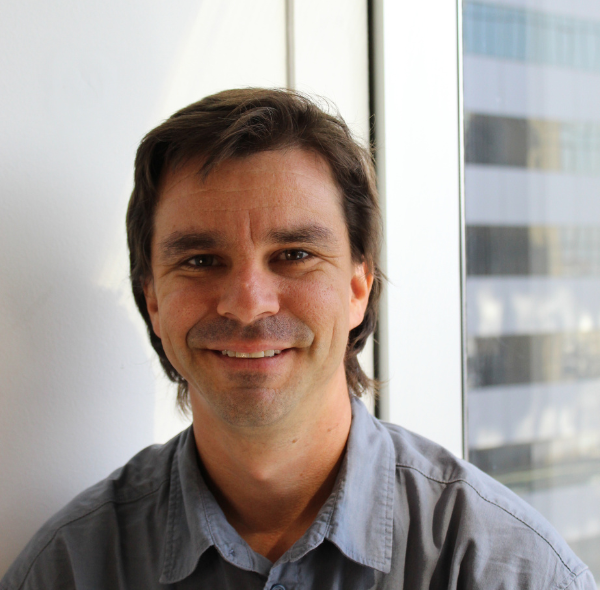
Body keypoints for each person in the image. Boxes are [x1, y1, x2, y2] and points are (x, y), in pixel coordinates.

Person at [1, 88, 595, 590]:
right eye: (201, 260)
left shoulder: (504, 567)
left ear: (359, 286)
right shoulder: (69, 568)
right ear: (153, 299)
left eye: (294, 254)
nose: (248, 302)